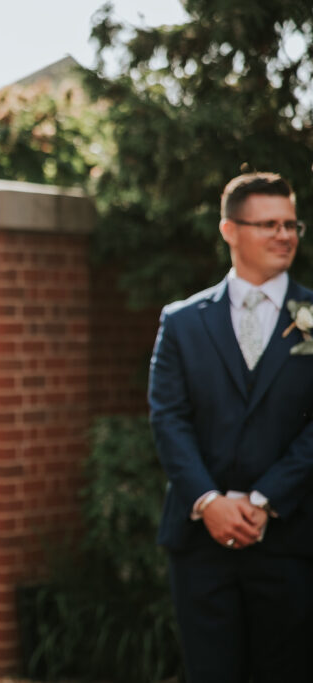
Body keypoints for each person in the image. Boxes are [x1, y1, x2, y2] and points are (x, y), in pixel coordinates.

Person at [148, 172, 313, 682]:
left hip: (292, 539)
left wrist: (263, 500)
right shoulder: (182, 321)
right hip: (201, 543)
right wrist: (209, 502)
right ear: (229, 230)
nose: (283, 235)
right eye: (268, 224)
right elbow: (168, 417)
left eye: (291, 224)